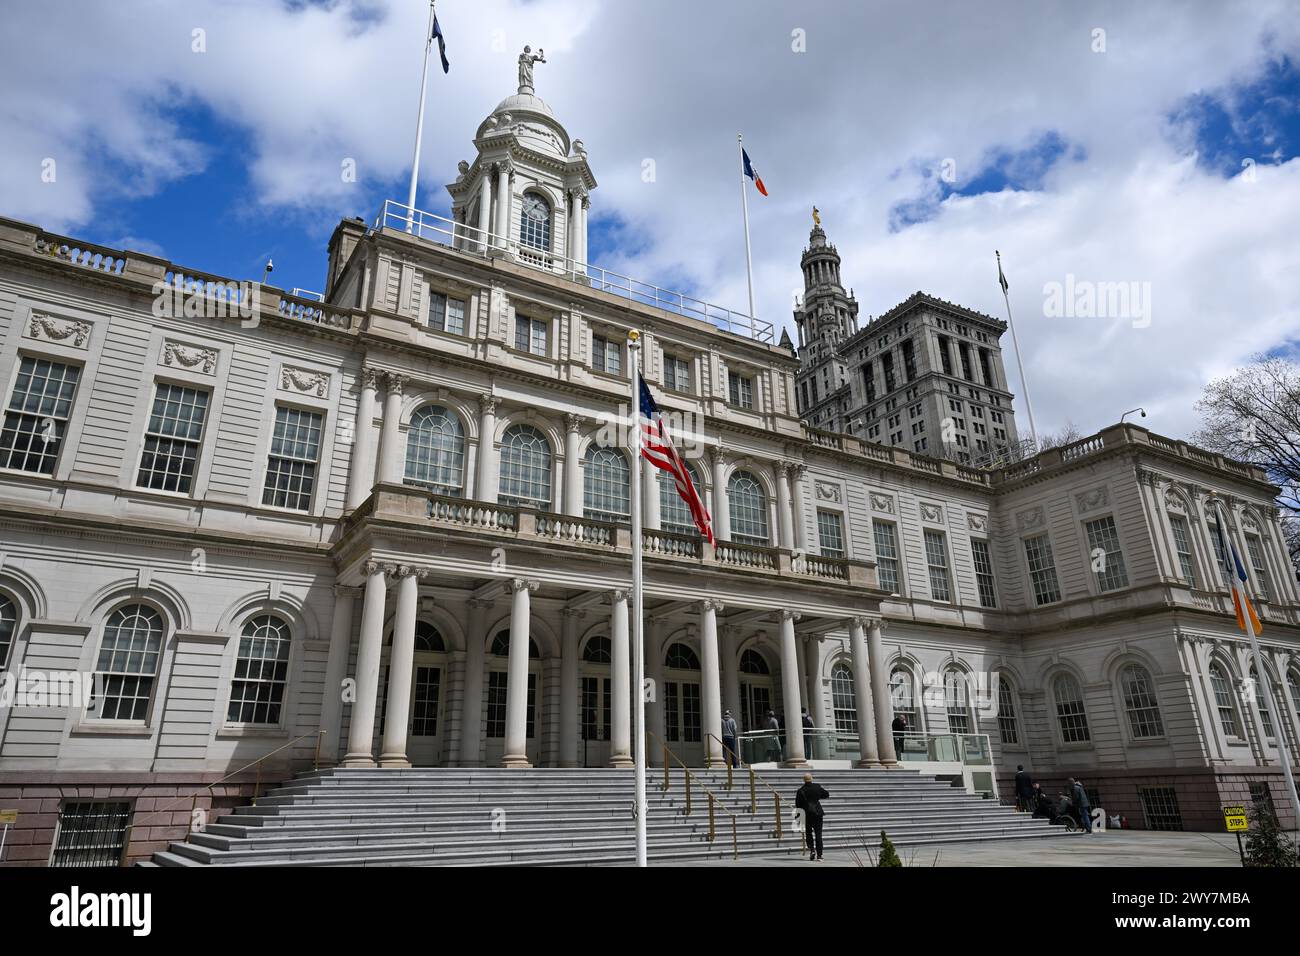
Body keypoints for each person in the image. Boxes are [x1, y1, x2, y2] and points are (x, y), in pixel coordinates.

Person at [795, 772, 830, 861]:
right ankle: (819, 855)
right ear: (812, 779)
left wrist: (798, 818)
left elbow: (798, 805)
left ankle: (812, 850)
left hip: (806, 815)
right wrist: (817, 797)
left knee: (808, 834)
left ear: (804, 780)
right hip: (818, 813)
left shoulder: (800, 790)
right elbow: (826, 794)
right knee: (818, 834)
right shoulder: (817, 787)